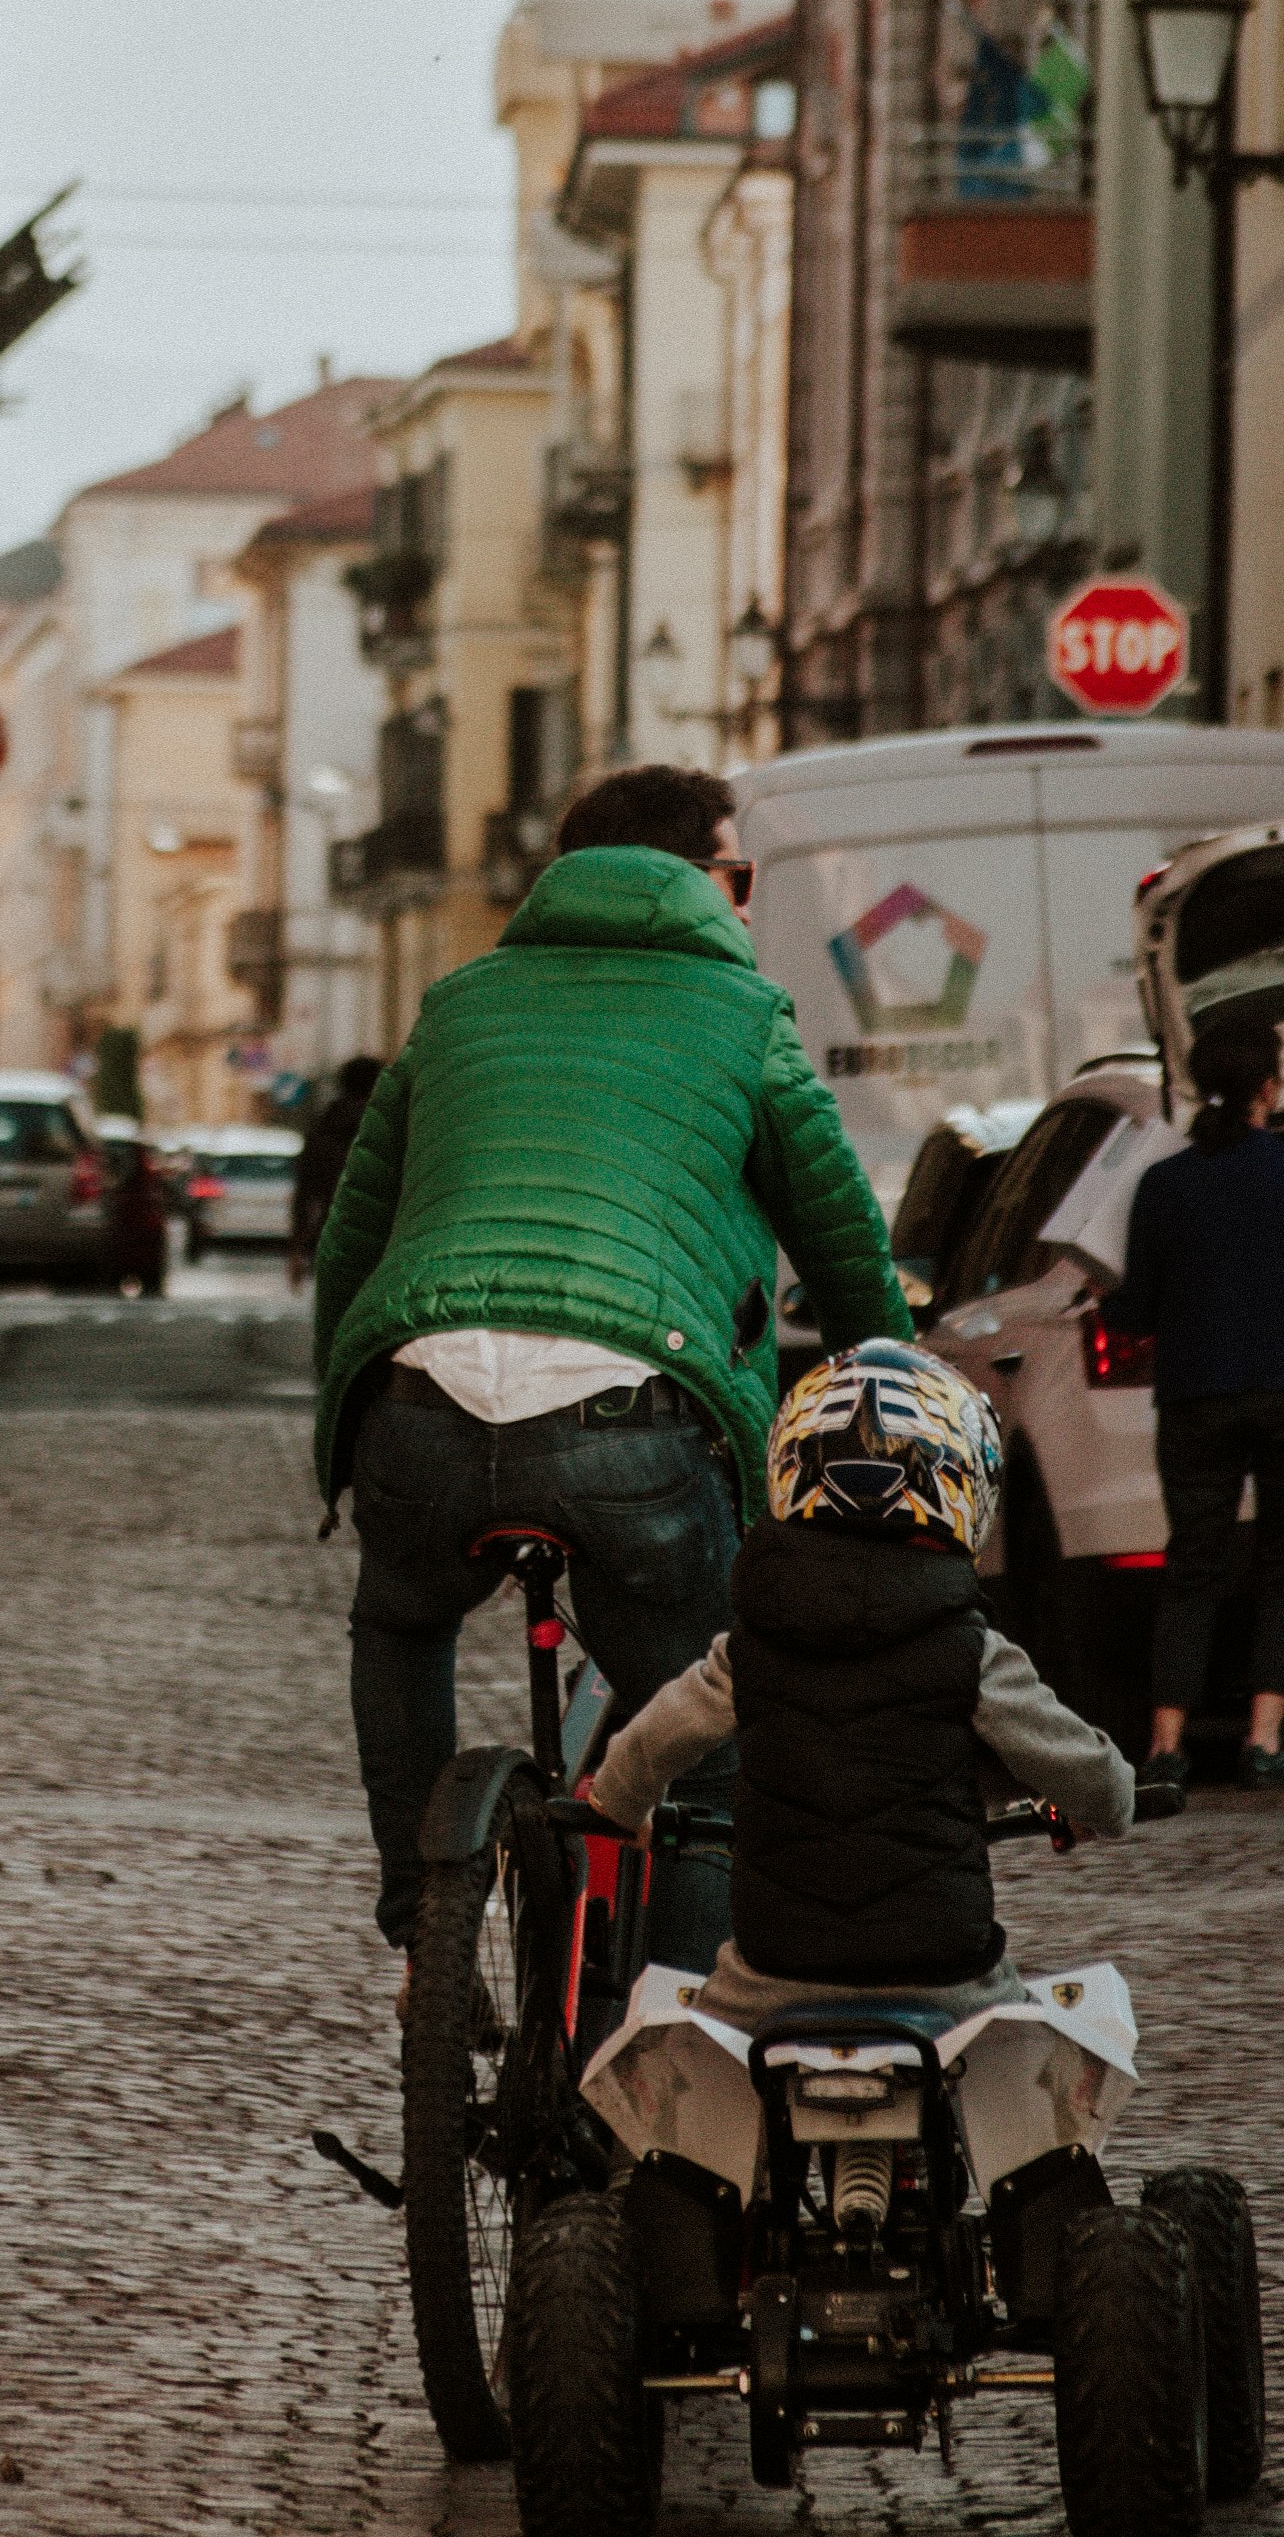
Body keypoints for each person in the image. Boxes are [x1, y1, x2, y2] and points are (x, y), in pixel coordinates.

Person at [313, 760, 911, 1982]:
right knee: (706, 1744)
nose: (745, 905)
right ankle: (664, 2054)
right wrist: (895, 1394)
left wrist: (342, 1426)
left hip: (419, 1398)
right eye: (737, 875)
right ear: (697, 878)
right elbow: (845, 1242)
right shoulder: (745, 1018)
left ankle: (424, 1918)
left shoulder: (460, 1000)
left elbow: (350, 1239)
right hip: (631, 1417)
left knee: (399, 1618)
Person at [588, 1341, 1134, 2031]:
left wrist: (619, 1808)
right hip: (948, 1983)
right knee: (1049, 2055)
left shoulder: (749, 1648)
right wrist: (1103, 1802)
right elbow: (1100, 1785)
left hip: (767, 1982)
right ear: (964, 1484)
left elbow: (646, 1748)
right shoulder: (973, 1653)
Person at [1102, 1009, 1284, 1793]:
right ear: (1271, 1085)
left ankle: (1167, 1747)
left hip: (1195, 1399)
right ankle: (1263, 1740)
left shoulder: (1163, 1186)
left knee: (1192, 1565)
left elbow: (1132, 1315)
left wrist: (1108, 1293)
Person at [288, 1055, 383, 1288]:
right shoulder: (389, 1130)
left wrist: (296, 1250)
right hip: (385, 1238)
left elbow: (304, 1197)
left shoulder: (323, 1129)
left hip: (333, 1238)